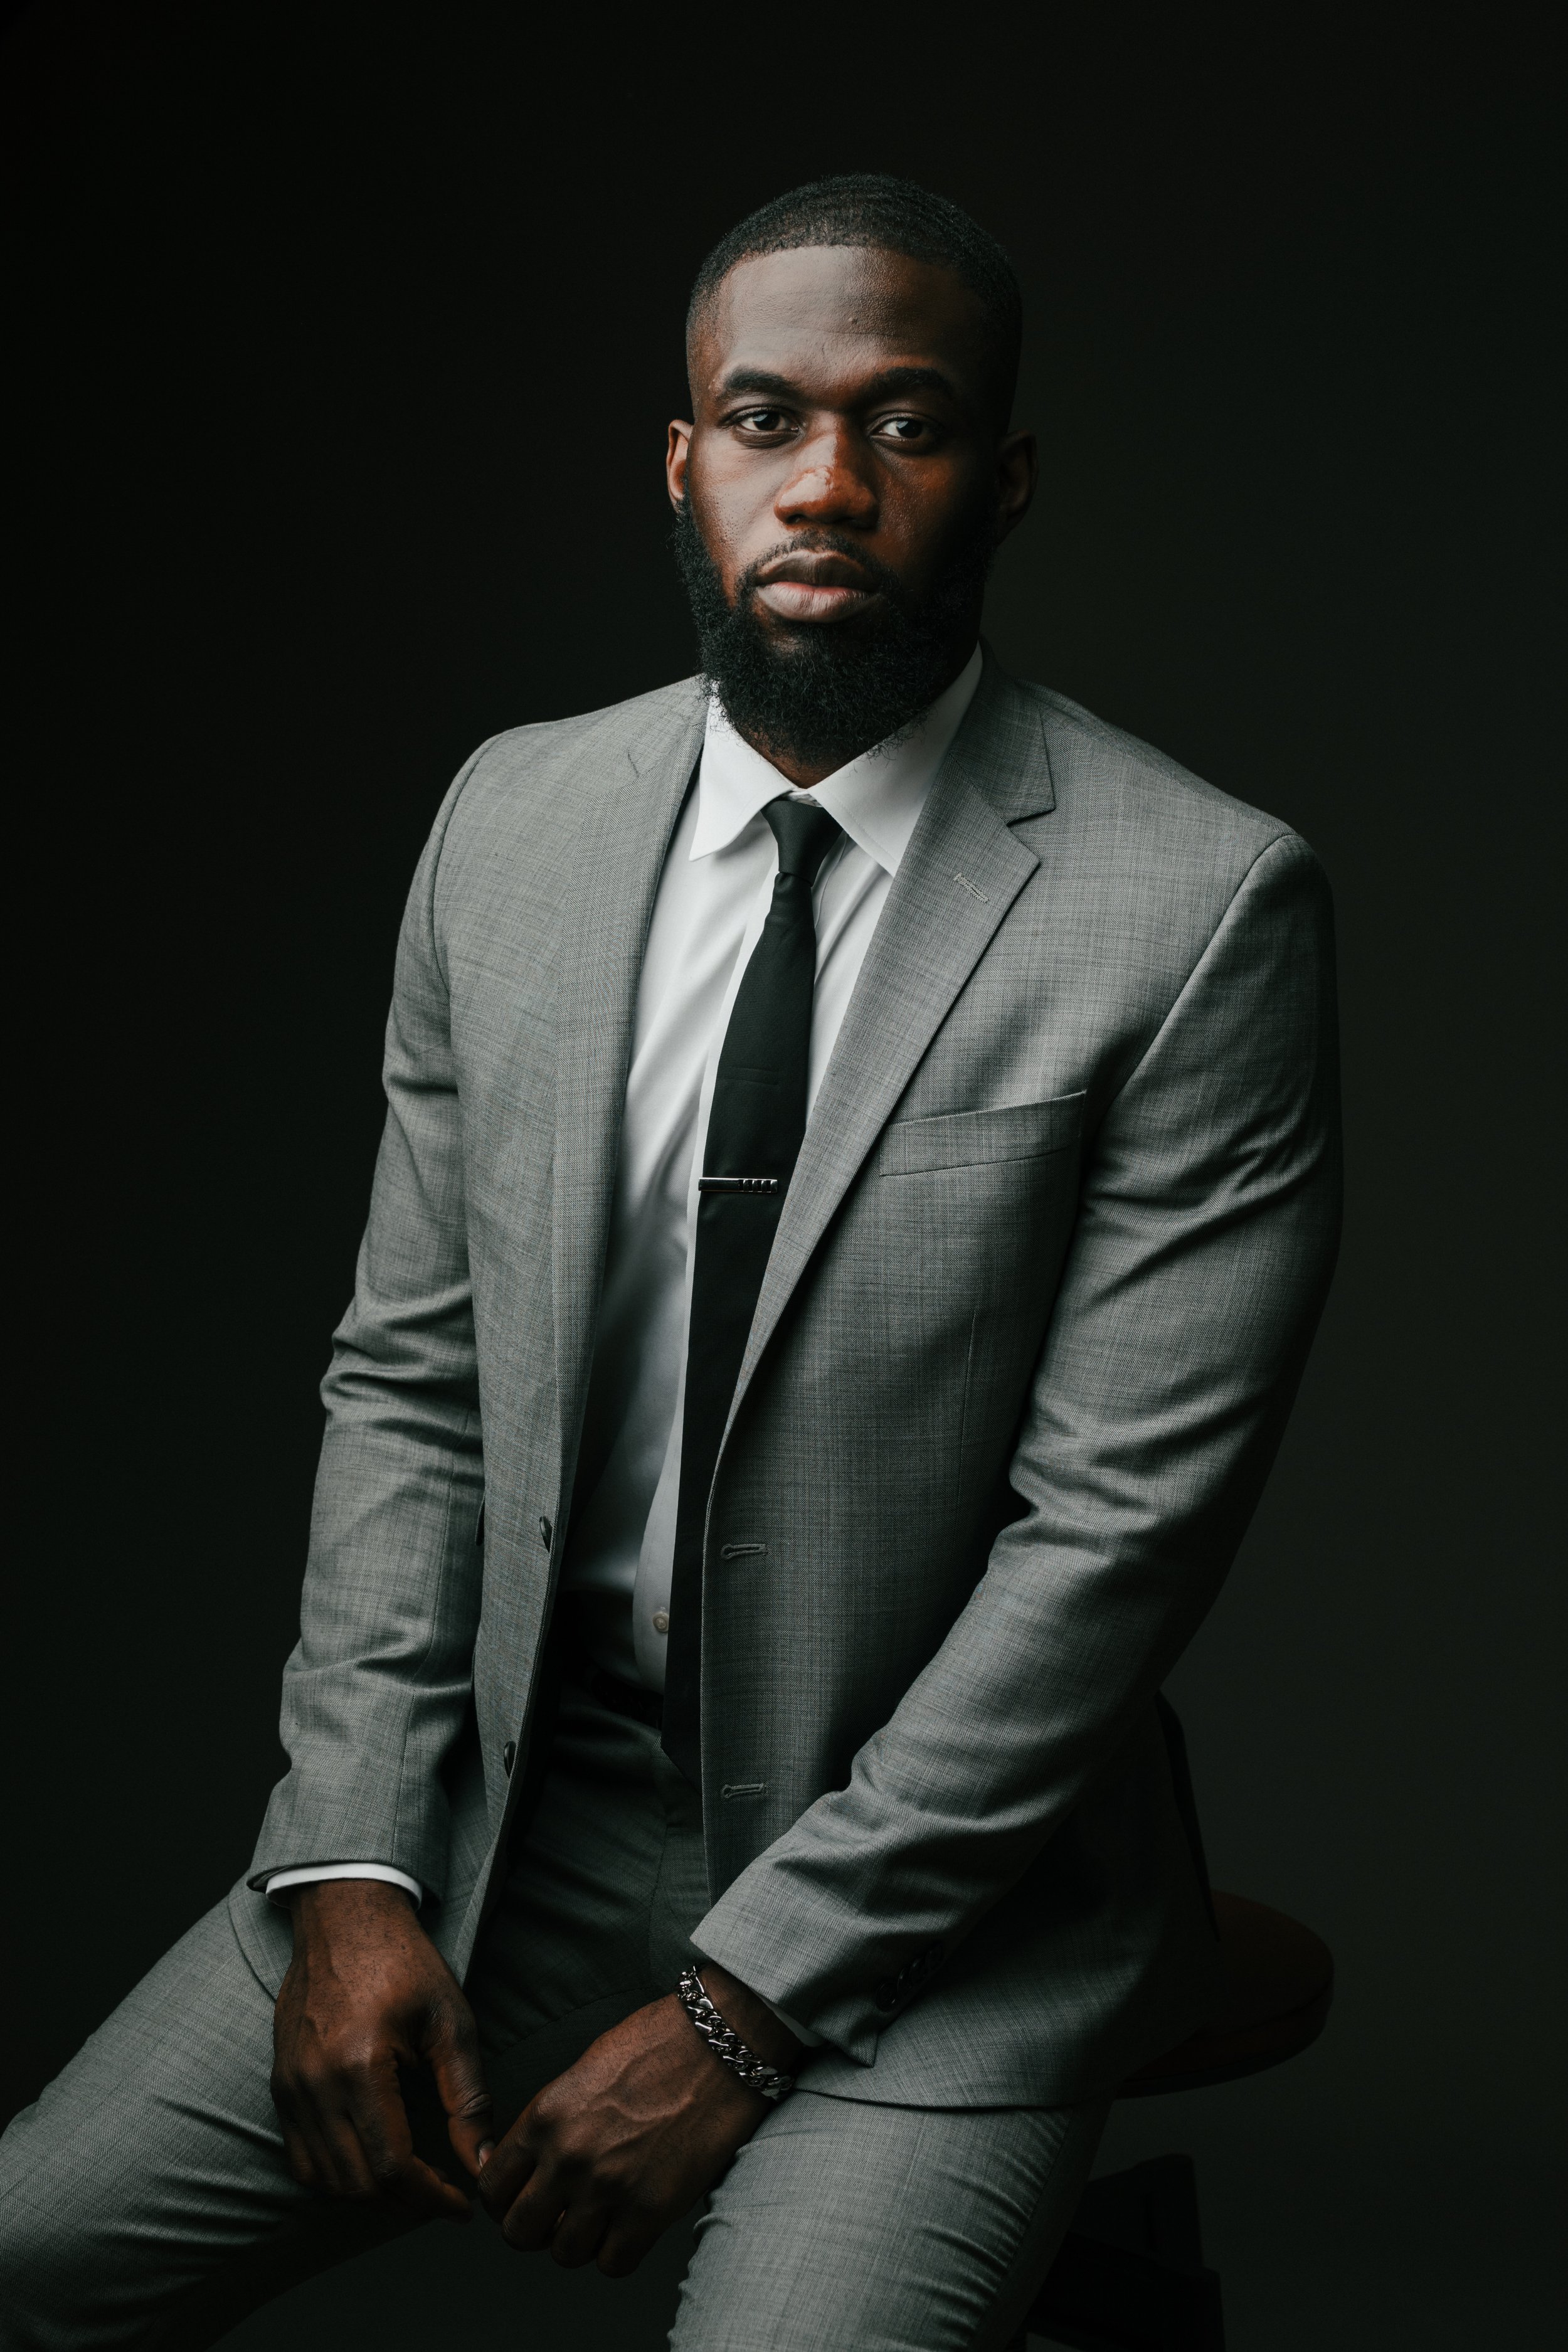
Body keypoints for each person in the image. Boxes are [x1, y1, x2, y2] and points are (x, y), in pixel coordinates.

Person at [0, 175, 1340, 2351]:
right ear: (682, 460)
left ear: (999, 480)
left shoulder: (1194, 907)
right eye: (761, 416)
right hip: (507, 1825)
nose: (826, 482)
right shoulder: (508, 824)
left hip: (946, 1906)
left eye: (903, 426)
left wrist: (732, 2017)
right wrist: (345, 1867)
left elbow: (1110, 1547)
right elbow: (408, 1382)